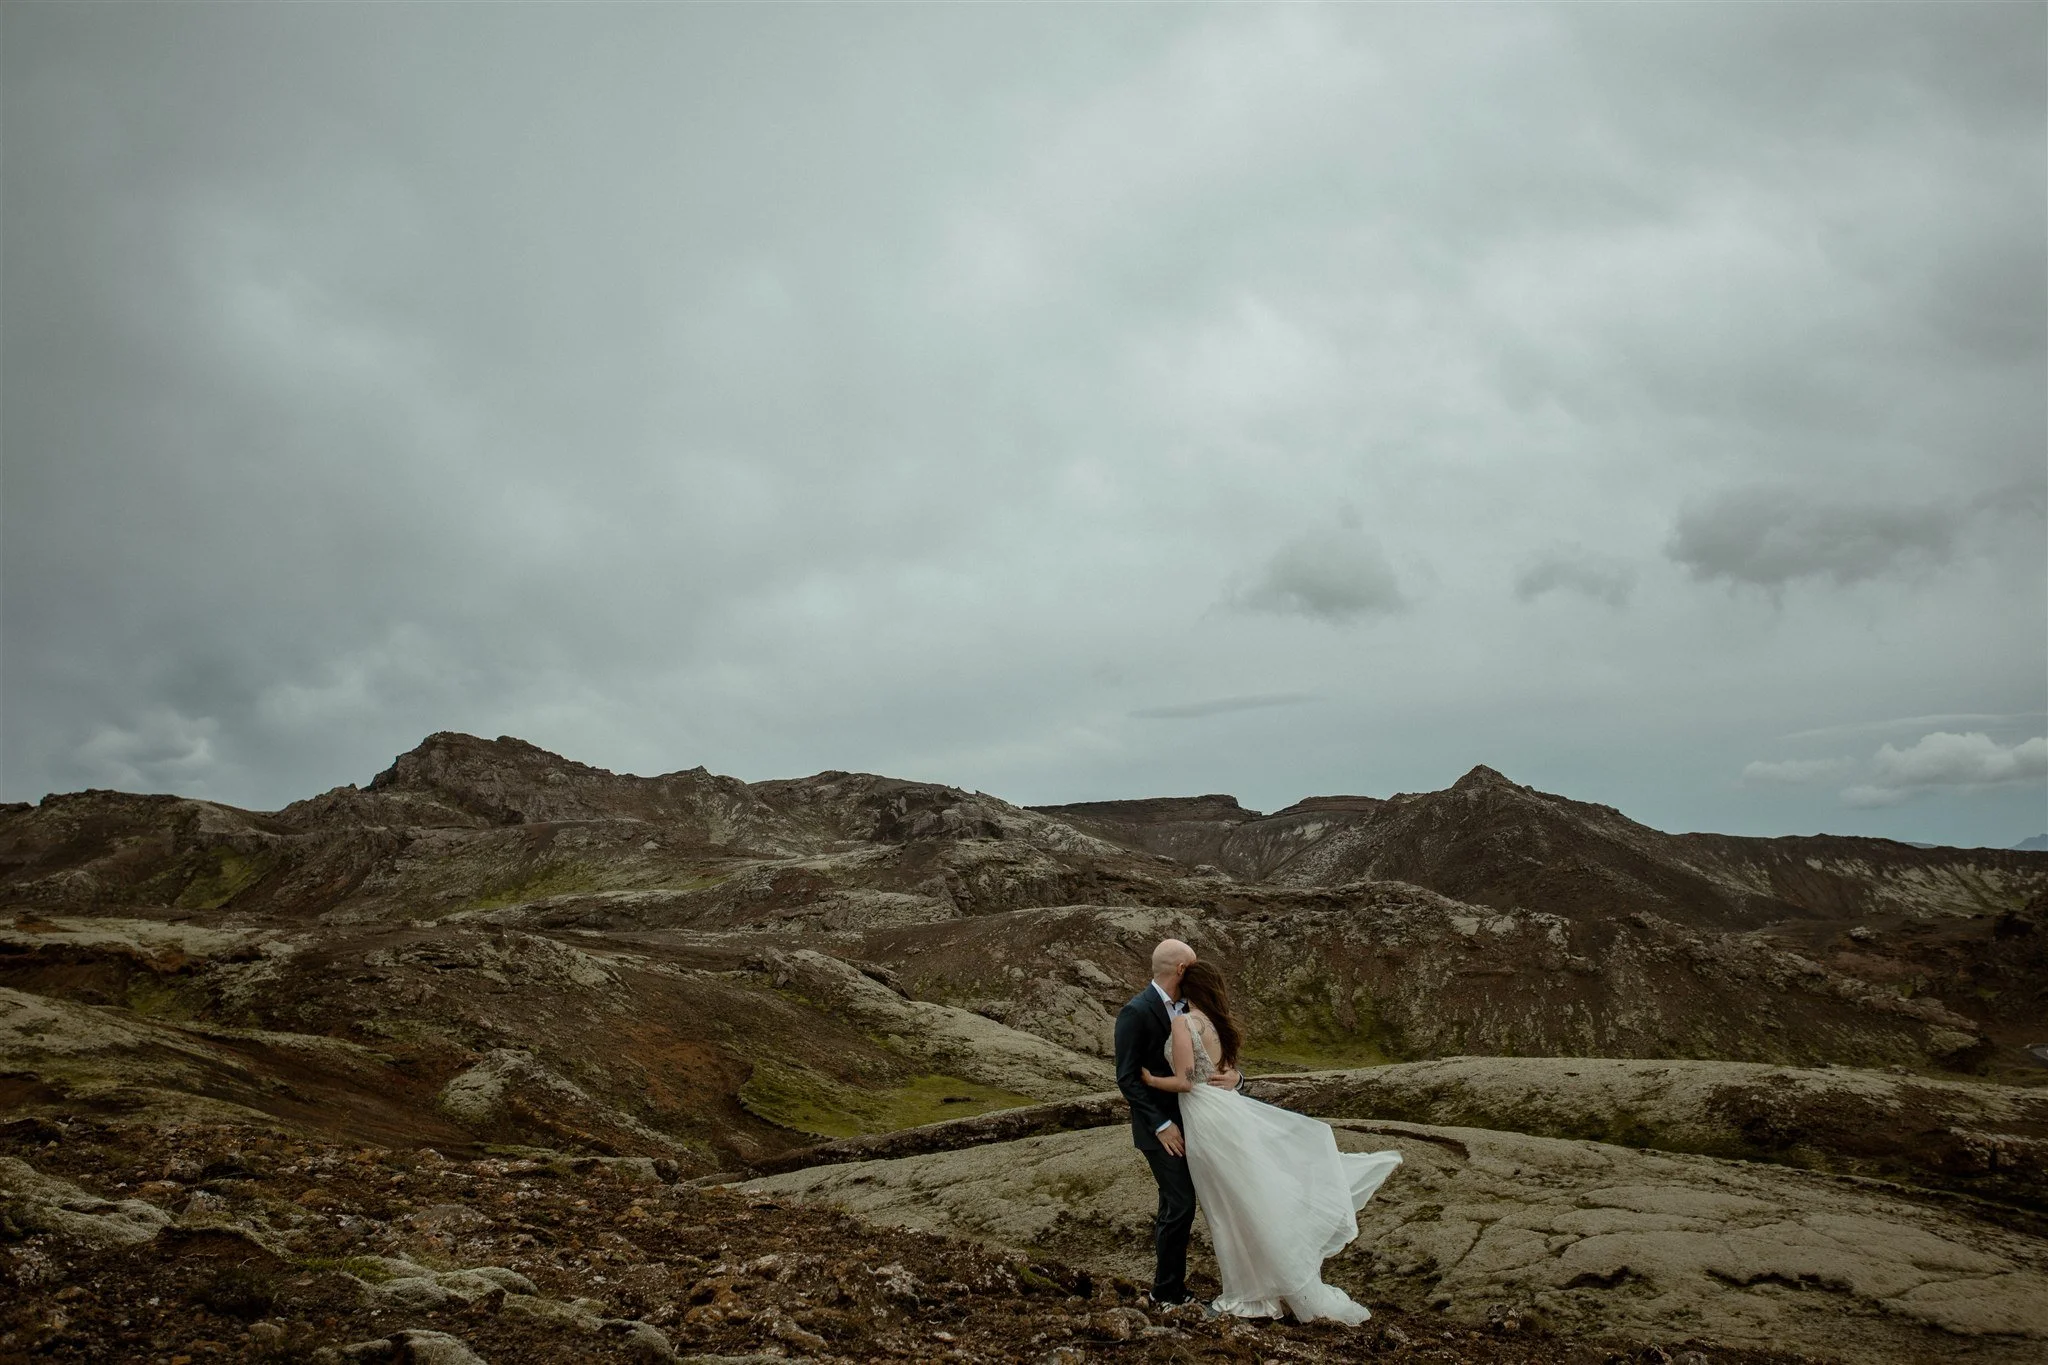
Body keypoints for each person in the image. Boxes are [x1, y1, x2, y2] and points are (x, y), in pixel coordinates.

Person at [1139, 959, 1403, 1323]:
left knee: (1226, 1210)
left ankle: (1249, 1294)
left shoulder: (1185, 1022)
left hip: (1206, 1118)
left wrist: (1151, 1080)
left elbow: (1185, 1081)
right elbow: (1221, 1072)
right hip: (1224, 1111)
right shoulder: (1216, 1024)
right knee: (1246, 1201)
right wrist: (1234, 1079)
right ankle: (1265, 1287)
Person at [1112, 938, 1242, 1307]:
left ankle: (1168, 1289)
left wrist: (1237, 1079)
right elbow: (1127, 1077)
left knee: (1180, 1204)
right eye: (1193, 965)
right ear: (1182, 970)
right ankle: (1166, 1292)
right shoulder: (1136, 1012)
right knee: (1181, 1202)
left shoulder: (1193, 1009)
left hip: (1200, 1122)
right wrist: (1160, 1125)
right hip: (1161, 1130)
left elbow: (1214, 1062)